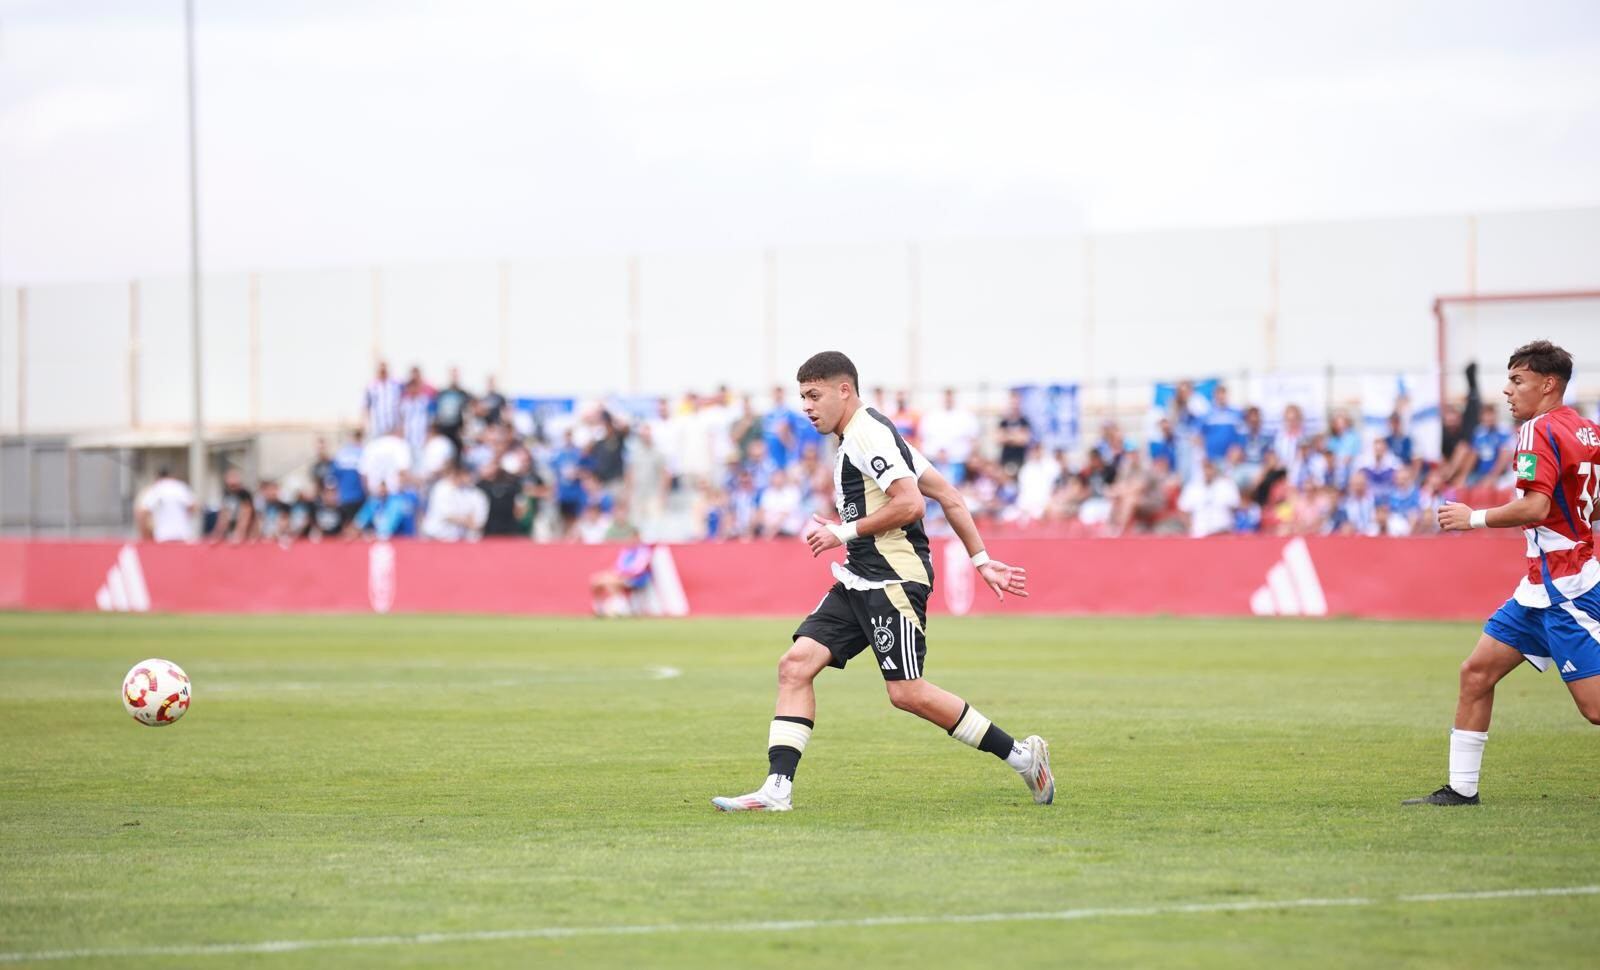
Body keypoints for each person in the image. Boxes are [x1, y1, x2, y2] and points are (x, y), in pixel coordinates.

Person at [711, 351, 1050, 813]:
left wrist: (841, 532)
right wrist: (983, 559)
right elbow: (947, 494)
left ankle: (1022, 756)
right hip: (859, 577)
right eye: (803, 397)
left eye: (814, 395)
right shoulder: (871, 432)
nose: (807, 407)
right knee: (795, 665)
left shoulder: (868, 435)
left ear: (843, 390)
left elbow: (911, 504)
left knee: (906, 692)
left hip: (893, 580)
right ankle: (777, 789)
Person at [1406, 341, 1600, 807]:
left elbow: (1535, 505)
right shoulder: (1588, 429)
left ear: (1547, 384)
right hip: (1540, 587)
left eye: (1517, 381)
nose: (1507, 391)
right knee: (1475, 673)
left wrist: (1472, 518)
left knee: (1594, 709)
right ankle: (1461, 790)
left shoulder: (1537, 430)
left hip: (1565, 589)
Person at [589, 529, 653, 617]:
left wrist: (622, 574)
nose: (630, 540)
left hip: (638, 579)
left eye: (632, 538)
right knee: (596, 580)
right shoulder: (626, 551)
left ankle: (622, 608)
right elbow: (618, 566)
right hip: (622, 576)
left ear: (637, 538)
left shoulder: (643, 551)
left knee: (611, 582)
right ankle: (599, 609)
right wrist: (615, 573)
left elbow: (639, 569)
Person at [136, 467, 196, 543]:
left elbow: (142, 512)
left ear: (157, 477)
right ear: (172, 476)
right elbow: (193, 506)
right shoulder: (180, 487)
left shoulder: (156, 489)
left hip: (163, 536)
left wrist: (145, 535)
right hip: (182, 535)